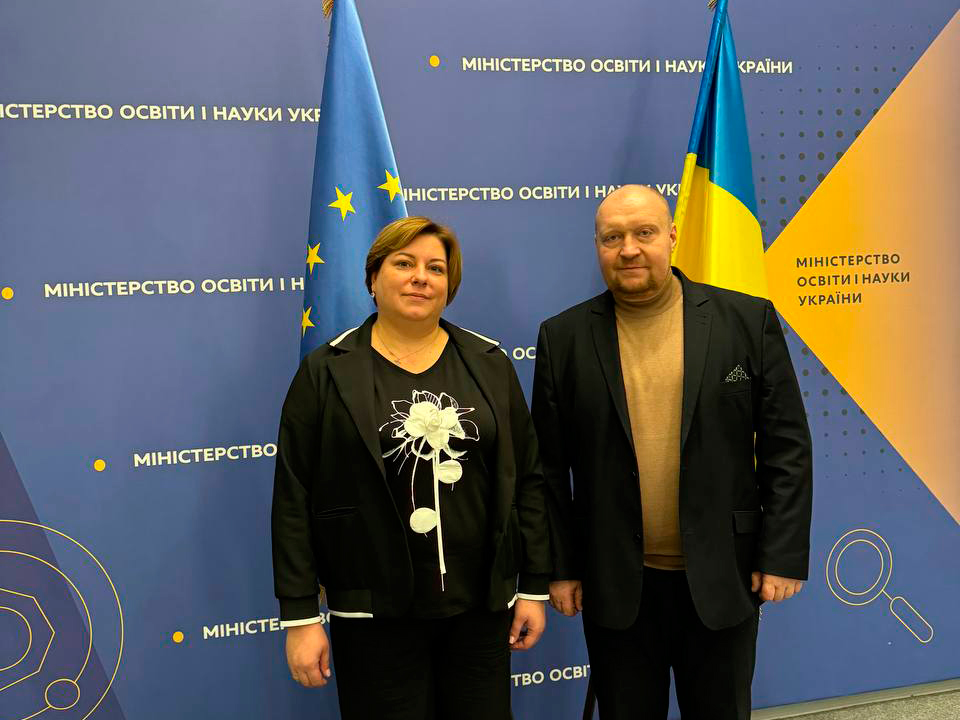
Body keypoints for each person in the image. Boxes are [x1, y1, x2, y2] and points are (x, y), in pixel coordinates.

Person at [532, 185, 812, 719]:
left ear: (672, 236)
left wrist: (781, 554)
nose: (629, 249)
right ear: (597, 246)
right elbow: (547, 469)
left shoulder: (746, 320)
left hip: (723, 575)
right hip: (616, 582)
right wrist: (560, 568)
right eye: (612, 237)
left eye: (644, 233)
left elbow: (787, 447)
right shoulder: (562, 337)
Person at [271, 216, 551, 720]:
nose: (421, 277)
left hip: (479, 611)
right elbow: (294, 498)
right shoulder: (325, 370)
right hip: (373, 615)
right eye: (404, 263)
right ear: (373, 278)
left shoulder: (488, 362)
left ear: (450, 285)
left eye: (436, 268)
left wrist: (532, 587)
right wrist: (300, 616)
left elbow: (527, 479)